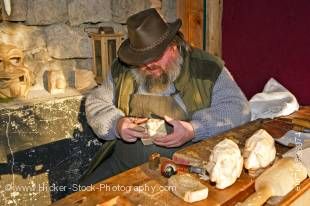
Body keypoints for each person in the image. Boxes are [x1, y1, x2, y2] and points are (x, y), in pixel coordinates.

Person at [81, 8, 251, 185]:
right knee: (80, 197)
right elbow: (96, 102)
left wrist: (195, 129)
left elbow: (239, 109)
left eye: (155, 56)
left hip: (183, 170)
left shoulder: (207, 69)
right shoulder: (122, 69)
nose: (148, 64)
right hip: (124, 166)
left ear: (173, 47)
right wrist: (117, 124)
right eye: (142, 58)